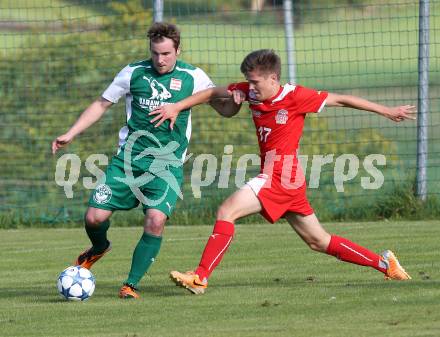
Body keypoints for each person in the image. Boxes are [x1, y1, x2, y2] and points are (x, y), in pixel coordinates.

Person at [150, 49, 416, 294]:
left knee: (226, 211)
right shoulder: (250, 92)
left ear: (273, 78)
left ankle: (200, 277)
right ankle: (385, 265)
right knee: (318, 241)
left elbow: (342, 99)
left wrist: (387, 111)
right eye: (248, 81)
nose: (250, 87)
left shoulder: (295, 96)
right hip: (288, 180)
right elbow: (211, 94)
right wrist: (180, 106)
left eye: (255, 82)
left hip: (279, 175)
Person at [51, 22, 230, 299]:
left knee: (156, 220)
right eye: (155, 53)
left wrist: (237, 99)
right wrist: (71, 133)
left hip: (166, 165)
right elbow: (102, 103)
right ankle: (99, 248)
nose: (160, 60)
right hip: (128, 161)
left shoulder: (193, 77)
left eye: (167, 54)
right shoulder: (133, 72)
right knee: (94, 218)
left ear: (178, 50)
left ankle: (130, 284)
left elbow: (224, 106)